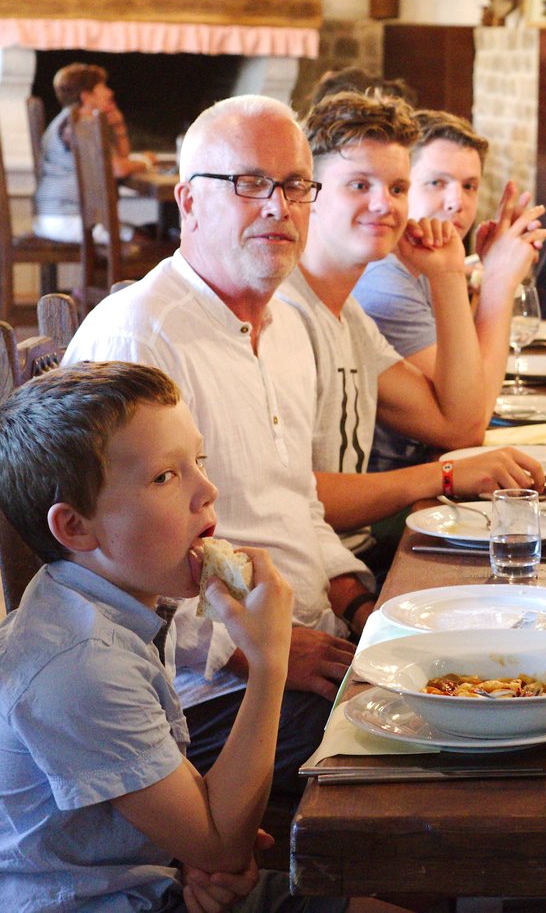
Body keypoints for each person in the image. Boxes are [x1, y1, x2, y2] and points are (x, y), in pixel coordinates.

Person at [64, 94, 374, 794]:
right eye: (249, 182)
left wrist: (358, 600)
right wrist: (260, 654)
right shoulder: (140, 337)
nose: (278, 206)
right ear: (188, 203)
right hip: (200, 695)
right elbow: (110, 563)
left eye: (295, 185)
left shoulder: (288, 328)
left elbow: (297, 502)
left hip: (310, 640)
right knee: (420, 761)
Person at [0, 362, 346, 912]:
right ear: (75, 527)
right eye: (165, 477)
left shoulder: (117, 608)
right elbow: (223, 845)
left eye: (198, 462)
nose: (208, 490)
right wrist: (268, 661)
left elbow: (205, 834)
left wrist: (195, 853)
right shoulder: (82, 664)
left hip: (156, 877)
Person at [280, 92, 545, 559]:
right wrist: (443, 476)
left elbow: (458, 424)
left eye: (397, 188)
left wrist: (448, 274)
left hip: (350, 555)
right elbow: (288, 496)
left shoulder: (348, 316)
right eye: (359, 185)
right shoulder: (283, 311)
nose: (384, 204)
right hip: (326, 564)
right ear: (307, 195)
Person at [354, 111, 546, 472]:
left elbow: (466, 369)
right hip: (396, 484)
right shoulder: (384, 280)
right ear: (400, 189)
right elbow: (470, 418)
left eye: (469, 186)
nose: (456, 201)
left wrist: (481, 277)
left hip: (424, 469)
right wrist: (498, 283)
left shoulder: (426, 261)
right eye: (436, 183)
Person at [31, 62, 158, 243]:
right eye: (103, 87)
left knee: (150, 232)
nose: (110, 92)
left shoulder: (74, 120)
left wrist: (118, 125)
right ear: (87, 96)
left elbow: (120, 159)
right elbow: (118, 169)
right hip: (67, 217)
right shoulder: (79, 124)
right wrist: (147, 161)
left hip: (60, 214)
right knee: (146, 240)